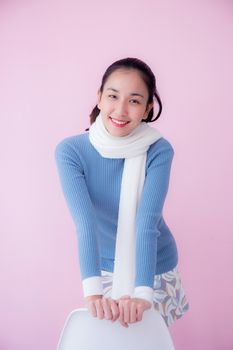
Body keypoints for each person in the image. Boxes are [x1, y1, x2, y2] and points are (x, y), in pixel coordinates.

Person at [54, 57, 189, 329]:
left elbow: (146, 222)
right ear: (99, 98)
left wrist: (142, 294)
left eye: (135, 100)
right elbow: (85, 222)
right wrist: (93, 292)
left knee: (149, 343)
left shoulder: (159, 150)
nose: (121, 110)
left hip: (155, 266)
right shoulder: (71, 152)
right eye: (113, 96)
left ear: (148, 107)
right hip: (101, 266)